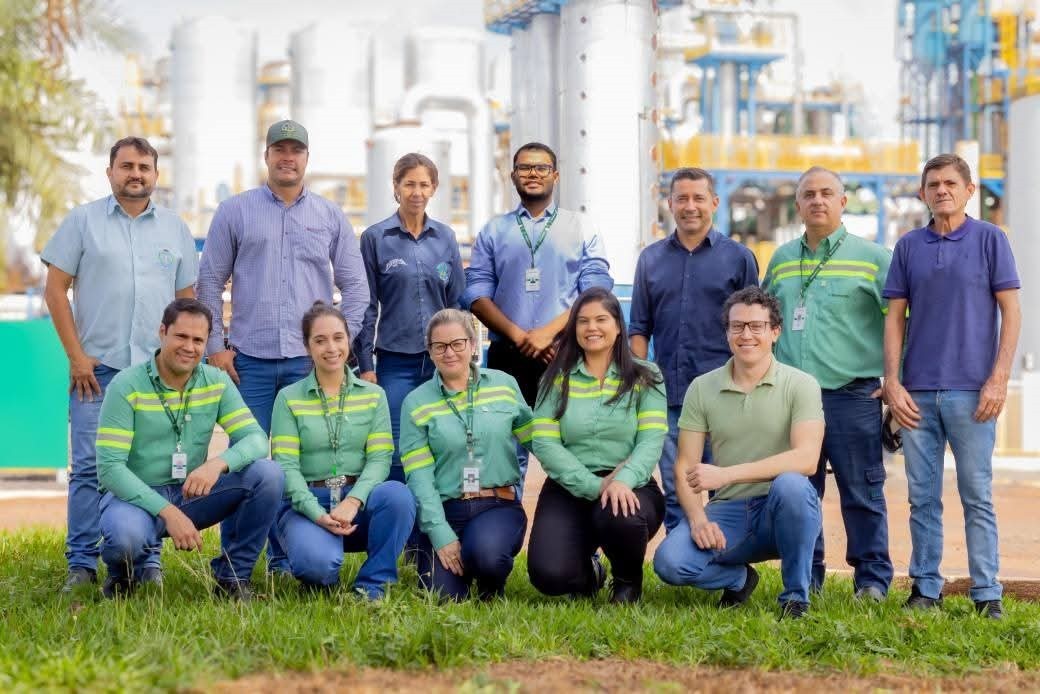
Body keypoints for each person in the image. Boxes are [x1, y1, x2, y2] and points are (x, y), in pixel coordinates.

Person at [196, 119, 369, 573]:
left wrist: (337, 344)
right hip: (247, 364)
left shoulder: (330, 216)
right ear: (267, 155)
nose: (287, 158)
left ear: (307, 158)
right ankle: (234, 566)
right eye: (279, 149)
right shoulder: (234, 211)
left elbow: (356, 287)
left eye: (296, 150)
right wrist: (215, 346)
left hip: (307, 367)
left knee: (302, 462)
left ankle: (285, 558)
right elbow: (209, 282)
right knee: (245, 465)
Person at [42, 136, 198, 593]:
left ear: (156, 174)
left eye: (144, 167)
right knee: (89, 468)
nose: (136, 174)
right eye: (127, 166)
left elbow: (186, 303)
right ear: (110, 172)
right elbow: (55, 290)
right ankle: (81, 564)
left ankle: (147, 561)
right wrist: (76, 357)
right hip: (97, 373)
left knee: (150, 469)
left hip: (157, 376)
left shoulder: (175, 229)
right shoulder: (82, 221)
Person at [883, 153, 1021, 619]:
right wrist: (892, 382)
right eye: (933, 184)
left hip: (973, 393)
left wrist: (999, 378)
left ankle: (987, 592)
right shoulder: (908, 247)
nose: (941, 190)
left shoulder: (990, 240)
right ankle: (926, 588)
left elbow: (1012, 311)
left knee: (976, 495)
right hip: (917, 393)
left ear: (969, 191)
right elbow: (894, 319)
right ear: (922, 193)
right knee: (921, 497)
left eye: (950, 183)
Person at [762, 166, 893, 599]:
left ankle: (871, 580)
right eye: (809, 194)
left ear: (842, 202)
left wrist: (898, 379)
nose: (817, 200)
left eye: (826, 193)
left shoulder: (874, 258)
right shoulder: (782, 260)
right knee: (800, 492)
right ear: (798, 205)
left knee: (862, 491)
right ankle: (807, 577)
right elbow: (766, 321)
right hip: (792, 399)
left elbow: (902, 321)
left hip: (852, 395)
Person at [653, 287, 824, 620]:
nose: (746, 335)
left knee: (792, 485)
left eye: (757, 326)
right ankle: (740, 579)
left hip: (781, 509)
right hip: (729, 511)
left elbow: (807, 459)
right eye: (737, 326)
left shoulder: (801, 384)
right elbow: (685, 465)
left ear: (775, 332)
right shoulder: (702, 388)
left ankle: (795, 598)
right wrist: (699, 520)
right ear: (727, 333)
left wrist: (727, 474)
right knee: (669, 563)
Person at [95, 299, 282, 600]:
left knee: (268, 475)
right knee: (126, 539)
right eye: (181, 336)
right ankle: (123, 574)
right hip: (135, 497)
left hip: (190, 494)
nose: (189, 347)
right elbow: (110, 469)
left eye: (198, 340)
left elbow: (257, 440)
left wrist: (216, 465)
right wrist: (168, 512)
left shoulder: (216, 382)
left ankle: (232, 578)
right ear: (162, 332)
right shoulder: (126, 385)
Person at [629, 167, 758, 534]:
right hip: (669, 398)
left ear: (714, 203)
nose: (690, 206)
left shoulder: (739, 258)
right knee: (677, 490)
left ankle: (726, 559)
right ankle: (682, 559)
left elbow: (755, 328)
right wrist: (640, 382)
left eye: (698, 198)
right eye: (681, 198)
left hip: (726, 398)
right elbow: (639, 327)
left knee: (727, 491)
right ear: (669, 204)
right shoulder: (650, 260)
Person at [528, 287, 666, 604]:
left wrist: (621, 481)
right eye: (583, 321)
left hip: (631, 484)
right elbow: (545, 444)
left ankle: (627, 582)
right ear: (574, 328)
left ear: (618, 325)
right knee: (549, 575)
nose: (592, 327)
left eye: (601, 319)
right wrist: (595, 485)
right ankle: (590, 572)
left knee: (619, 513)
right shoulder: (555, 378)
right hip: (569, 484)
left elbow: (650, 442)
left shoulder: (647, 376)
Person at [270, 302, 414, 599]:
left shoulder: (374, 395)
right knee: (318, 568)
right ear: (308, 346)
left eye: (338, 338)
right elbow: (286, 466)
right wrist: (316, 513)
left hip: (357, 501)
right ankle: (319, 559)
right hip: (307, 502)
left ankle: (373, 584)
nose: (331, 348)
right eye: (320, 340)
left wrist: (354, 501)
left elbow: (380, 459)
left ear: (349, 340)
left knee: (398, 496)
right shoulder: (288, 398)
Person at [464, 142, 614, 406]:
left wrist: (548, 334)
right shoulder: (493, 230)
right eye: (524, 168)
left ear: (555, 176)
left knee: (568, 429)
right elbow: (476, 296)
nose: (533, 173)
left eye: (542, 168)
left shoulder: (582, 227)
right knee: (509, 431)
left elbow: (596, 292)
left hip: (565, 351)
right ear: (513, 176)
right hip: (508, 355)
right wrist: (523, 338)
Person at [399, 309, 532, 600]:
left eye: (457, 343)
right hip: (446, 510)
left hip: (497, 504)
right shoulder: (416, 403)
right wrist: (440, 534)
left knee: (486, 557)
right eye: (440, 346)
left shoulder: (504, 385)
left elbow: (537, 440)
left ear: (473, 345)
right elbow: (419, 477)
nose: (449, 352)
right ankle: (463, 560)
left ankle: (489, 579)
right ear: (430, 352)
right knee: (442, 597)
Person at [356, 153, 465, 483]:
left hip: (442, 361)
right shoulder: (375, 238)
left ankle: (440, 511)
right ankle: (400, 511)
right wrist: (366, 365)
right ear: (396, 186)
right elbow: (366, 306)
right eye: (409, 184)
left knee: (445, 442)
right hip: (395, 363)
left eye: (424, 185)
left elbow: (457, 303)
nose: (417, 192)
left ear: (434, 188)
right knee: (395, 446)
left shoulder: (445, 238)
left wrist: (462, 358)